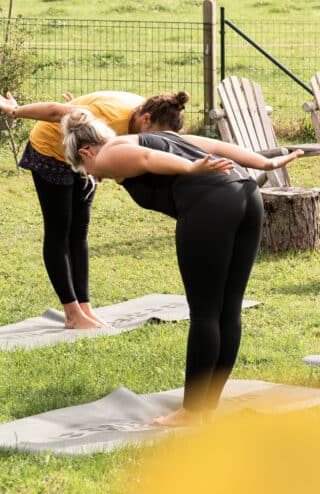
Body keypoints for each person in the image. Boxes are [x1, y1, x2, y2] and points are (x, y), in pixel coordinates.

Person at [62, 108, 303, 428]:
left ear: (85, 152)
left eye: (86, 170)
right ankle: (206, 406)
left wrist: (190, 168)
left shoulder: (108, 154)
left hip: (211, 203)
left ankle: (192, 411)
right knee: (228, 310)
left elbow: (147, 161)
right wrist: (263, 163)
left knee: (205, 312)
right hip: (246, 193)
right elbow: (214, 145)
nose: (96, 176)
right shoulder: (162, 136)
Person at [0, 90, 189, 330]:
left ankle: (85, 308)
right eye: (156, 134)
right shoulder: (109, 118)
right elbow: (54, 110)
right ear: (146, 119)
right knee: (60, 231)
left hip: (86, 154)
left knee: (79, 232)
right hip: (51, 149)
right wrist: (14, 110)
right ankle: (72, 314)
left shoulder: (147, 113)